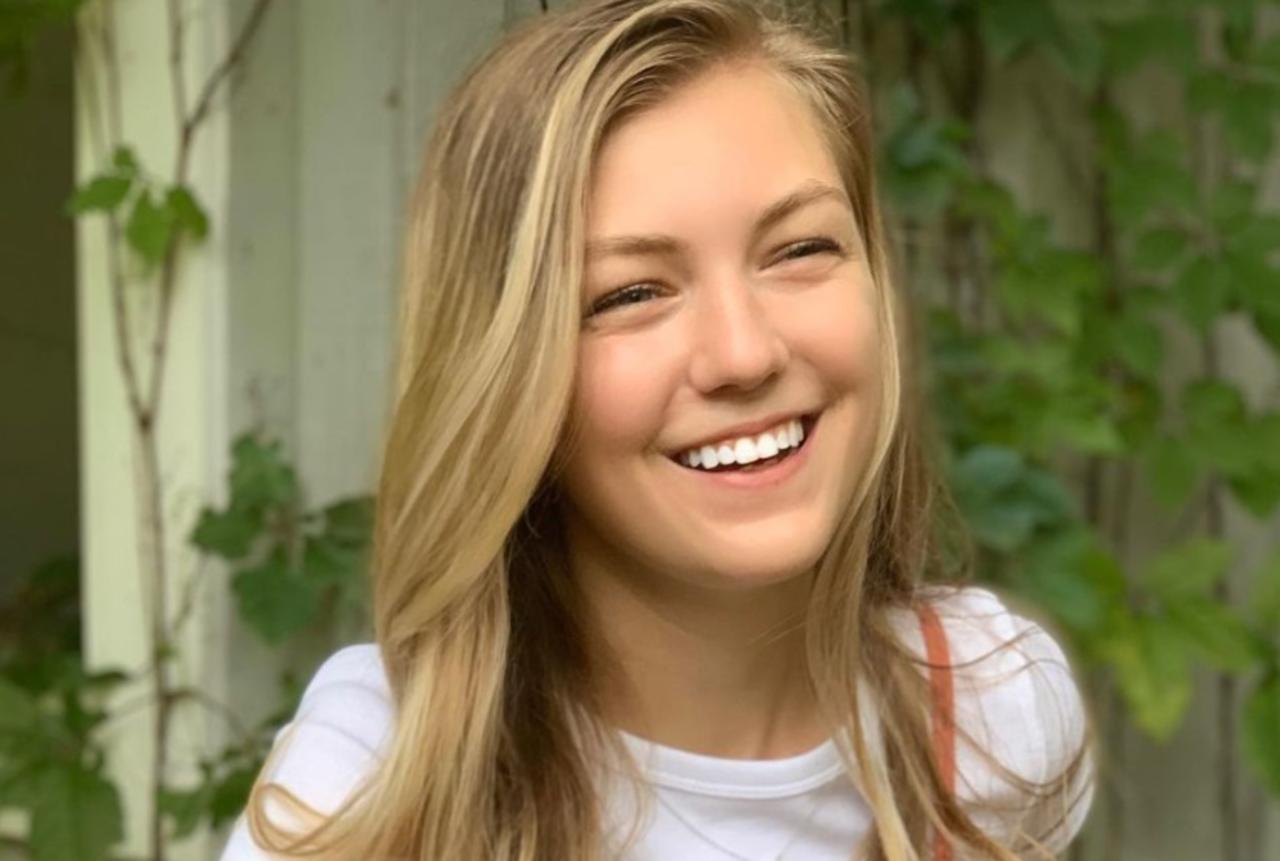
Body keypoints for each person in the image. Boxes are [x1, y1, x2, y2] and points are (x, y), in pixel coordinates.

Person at [221, 0, 1096, 858]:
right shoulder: (374, 792)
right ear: (504, 373)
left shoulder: (991, 714)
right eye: (632, 294)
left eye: (800, 249)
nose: (744, 353)